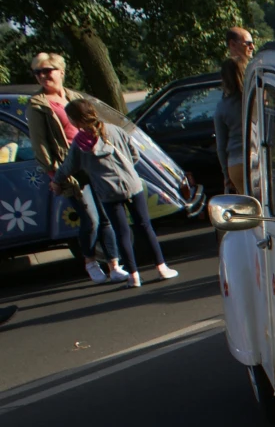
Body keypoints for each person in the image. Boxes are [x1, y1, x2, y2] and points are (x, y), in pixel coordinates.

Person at [50, 99, 178, 288]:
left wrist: (56, 181)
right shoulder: (115, 130)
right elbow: (134, 154)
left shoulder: (79, 144)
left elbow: (68, 167)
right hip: (132, 185)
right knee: (144, 226)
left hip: (107, 191)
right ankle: (161, 267)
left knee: (122, 232)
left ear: (75, 121)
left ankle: (133, 276)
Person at [25, 53, 126, 284]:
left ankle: (114, 265)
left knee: (106, 216)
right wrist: (55, 176)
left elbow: (95, 126)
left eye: (47, 70)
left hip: (93, 163)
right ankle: (90, 261)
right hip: (70, 168)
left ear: (61, 71)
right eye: (38, 72)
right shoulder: (37, 105)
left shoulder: (75, 97)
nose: (43, 76)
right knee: (90, 219)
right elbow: (40, 146)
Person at [214, 56, 246, 195]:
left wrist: (226, 176)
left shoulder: (222, 107)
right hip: (260, 160)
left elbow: (221, 147)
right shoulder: (258, 99)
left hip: (236, 165)